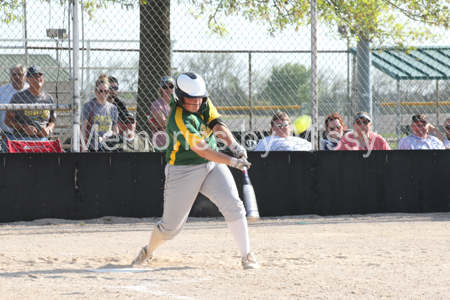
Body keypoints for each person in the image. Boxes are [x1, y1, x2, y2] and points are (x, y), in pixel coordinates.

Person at [131, 72, 259, 270]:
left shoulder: (203, 102)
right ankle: (147, 252)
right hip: (183, 171)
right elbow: (204, 151)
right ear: (180, 97)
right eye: (191, 98)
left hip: (212, 166)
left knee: (233, 204)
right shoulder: (177, 119)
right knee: (170, 229)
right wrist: (233, 161)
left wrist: (234, 146)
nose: (197, 102)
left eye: (199, 97)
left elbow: (217, 125)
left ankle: (247, 256)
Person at [4, 66, 56, 141]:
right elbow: (7, 120)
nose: (38, 79)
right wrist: (24, 127)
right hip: (23, 139)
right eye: (34, 76)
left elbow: (53, 120)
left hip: (43, 140)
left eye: (40, 76)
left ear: (43, 79)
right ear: (27, 80)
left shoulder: (48, 98)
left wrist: (49, 129)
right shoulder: (18, 97)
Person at [82, 74, 119, 152]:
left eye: (106, 91)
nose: (103, 94)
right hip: (92, 147)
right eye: (100, 91)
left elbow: (115, 129)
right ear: (95, 91)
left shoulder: (113, 108)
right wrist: (84, 146)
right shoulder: (88, 106)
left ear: (109, 92)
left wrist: (112, 137)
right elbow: (83, 128)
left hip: (108, 148)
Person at [0, 64, 29, 152]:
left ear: (25, 76)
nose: (17, 77)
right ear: (10, 77)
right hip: (7, 136)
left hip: (28, 136)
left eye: (20, 74)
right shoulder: (2, 91)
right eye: (14, 75)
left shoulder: (31, 90)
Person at [149, 76, 174, 149]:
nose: (168, 89)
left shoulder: (178, 104)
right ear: (161, 89)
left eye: (171, 86)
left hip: (176, 143)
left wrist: (157, 125)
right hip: (161, 143)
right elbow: (162, 122)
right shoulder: (157, 104)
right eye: (165, 87)